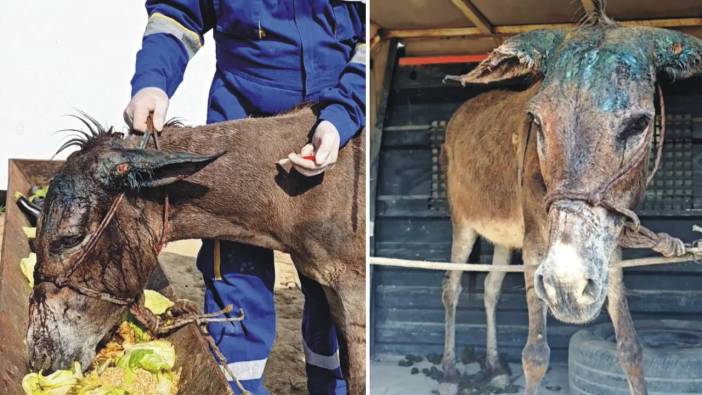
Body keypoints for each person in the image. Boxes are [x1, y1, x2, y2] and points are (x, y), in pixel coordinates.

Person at [123, 1, 366, 394]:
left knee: (333, 295)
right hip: (241, 127)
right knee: (237, 280)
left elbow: (368, 39)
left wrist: (342, 116)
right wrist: (152, 81)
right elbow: (177, 15)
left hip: (330, 126)